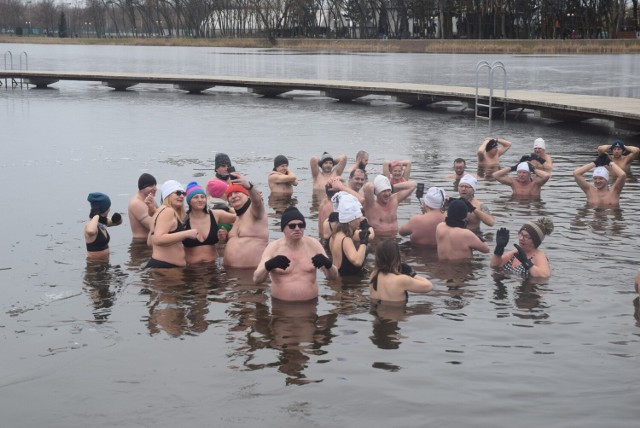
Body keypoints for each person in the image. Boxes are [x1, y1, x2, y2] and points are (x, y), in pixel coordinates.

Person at [253, 206, 338, 301]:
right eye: (292, 226)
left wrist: (328, 264)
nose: (297, 228)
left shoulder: (313, 244)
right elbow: (256, 279)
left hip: (310, 306)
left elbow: (333, 277)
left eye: (301, 225)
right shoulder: (273, 247)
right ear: (283, 228)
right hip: (281, 307)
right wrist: (268, 265)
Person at [146, 180, 199, 269]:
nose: (181, 196)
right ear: (168, 195)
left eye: (183, 193)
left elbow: (150, 243)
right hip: (166, 267)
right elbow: (158, 239)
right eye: (178, 193)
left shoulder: (159, 211)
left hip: (163, 266)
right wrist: (187, 233)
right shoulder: (168, 211)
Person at [182, 181, 237, 265]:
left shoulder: (215, 214)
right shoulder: (183, 219)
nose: (200, 200)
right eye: (196, 197)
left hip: (213, 266)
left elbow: (239, 218)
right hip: (191, 269)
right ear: (189, 201)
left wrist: (229, 209)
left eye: (202, 197)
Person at [223, 172, 269, 269]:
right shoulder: (237, 218)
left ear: (247, 195)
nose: (233, 196)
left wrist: (249, 187)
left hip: (251, 274)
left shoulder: (255, 212)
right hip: (230, 276)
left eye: (237, 192)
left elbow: (257, 202)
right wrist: (225, 238)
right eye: (230, 195)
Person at [368, 240, 433, 302]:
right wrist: (412, 274)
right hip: (397, 313)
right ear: (397, 257)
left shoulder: (373, 275)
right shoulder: (401, 280)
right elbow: (429, 286)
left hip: (377, 312)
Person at [329, 193, 374, 276]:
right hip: (348, 284)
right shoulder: (345, 239)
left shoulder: (335, 235)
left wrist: (367, 226)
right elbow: (357, 262)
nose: (360, 220)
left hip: (340, 280)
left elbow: (370, 236)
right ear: (350, 220)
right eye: (358, 218)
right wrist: (363, 242)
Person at [84, 192, 122, 260]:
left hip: (105, 262)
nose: (109, 209)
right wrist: (96, 215)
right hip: (94, 265)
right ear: (104, 209)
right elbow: (91, 231)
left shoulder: (102, 222)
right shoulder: (89, 225)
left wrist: (117, 219)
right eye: (108, 207)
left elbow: (118, 223)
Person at [128, 173, 158, 240]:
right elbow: (154, 226)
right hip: (141, 245)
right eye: (151, 186)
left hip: (153, 240)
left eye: (155, 185)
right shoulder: (136, 203)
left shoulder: (150, 198)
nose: (155, 188)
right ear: (142, 188)